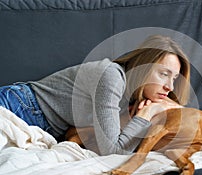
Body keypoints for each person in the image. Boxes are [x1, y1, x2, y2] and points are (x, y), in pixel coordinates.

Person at [0, 35, 191, 155]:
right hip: (18, 106)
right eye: (163, 74)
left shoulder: (132, 97)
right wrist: (147, 115)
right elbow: (113, 150)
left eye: (174, 78)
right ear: (142, 67)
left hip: (39, 124)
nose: (170, 87)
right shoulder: (111, 76)